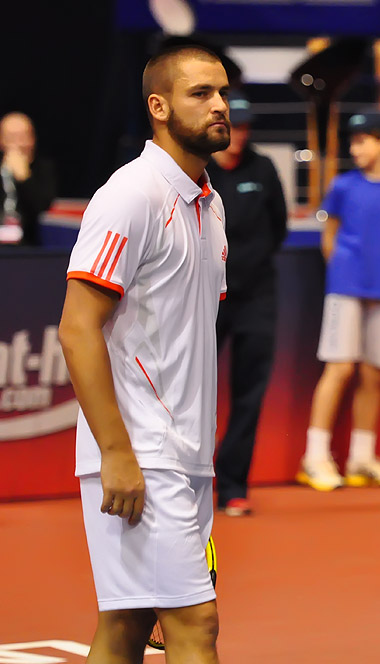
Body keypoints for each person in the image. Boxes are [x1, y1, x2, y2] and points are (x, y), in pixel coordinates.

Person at [58, 43, 230, 663]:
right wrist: (117, 453)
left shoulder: (210, 207)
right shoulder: (129, 195)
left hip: (187, 459)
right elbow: (78, 329)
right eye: (200, 94)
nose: (219, 106)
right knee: (195, 625)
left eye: (222, 92)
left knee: (128, 624)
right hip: (141, 456)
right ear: (158, 107)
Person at [297, 109, 380, 491]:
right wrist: (345, 274)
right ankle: (315, 458)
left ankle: (361, 459)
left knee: (373, 374)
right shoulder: (344, 187)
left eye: (364, 139)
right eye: (353, 140)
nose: (356, 147)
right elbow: (329, 236)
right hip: (346, 289)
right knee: (340, 369)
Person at [206, 89, 288, 517]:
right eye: (231, 126)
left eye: (244, 128)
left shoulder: (265, 167)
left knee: (249, 394)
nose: (238, 135)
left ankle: (234, 484)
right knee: (193, 391)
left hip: (257, 296)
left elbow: (279, 226)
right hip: (206, 299)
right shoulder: (198, 170)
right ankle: (189, 482)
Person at [0, 112, 56, 246]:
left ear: (33, 139)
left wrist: (25, 178)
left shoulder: (43, 168)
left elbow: (42, 206)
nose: (19, 144)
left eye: (24, 137)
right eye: (12, 138)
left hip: (27, 248)